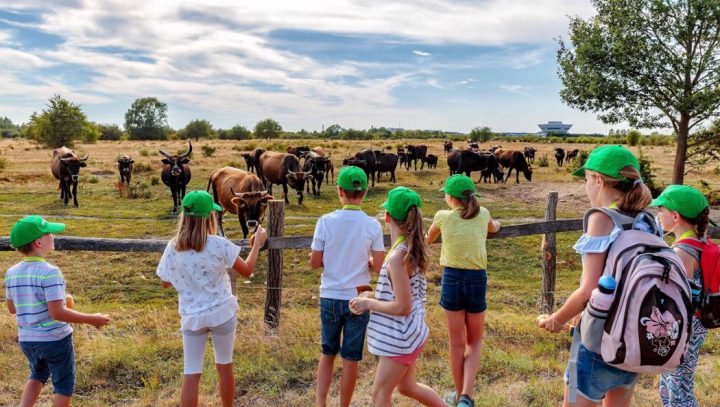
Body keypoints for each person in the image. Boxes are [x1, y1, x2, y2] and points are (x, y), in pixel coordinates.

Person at [538, 145, 653, 406]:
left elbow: (589, 288)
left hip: (598, 336)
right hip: (632, 333)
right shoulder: (647, 218)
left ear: (599, 180)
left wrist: (557, 319)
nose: (586, 187)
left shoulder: (602, 219)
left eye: (587, 179)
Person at [156, 190, 267, 407]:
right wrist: (256, 245)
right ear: (210, 216)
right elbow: (247, 270)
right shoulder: (219, 244)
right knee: (224, 365)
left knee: (191, 372)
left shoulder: (173, 246)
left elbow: (165, 282)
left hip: (191, 317)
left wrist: (185, 276)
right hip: (221, 313)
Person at [350, 187, 444, 407]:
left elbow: (403, 306)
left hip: (399, 338)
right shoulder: (410, 249)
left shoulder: (397, 256)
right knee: (407, 386)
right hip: (411, 333)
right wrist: (375, 294)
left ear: (387, 217)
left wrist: (368, 303)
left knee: (380, 394)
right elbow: (401, 294)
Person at [5, 215, 110, 407]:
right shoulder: (50, 272)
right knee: (64, 384)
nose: (53, 236)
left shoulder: (12, 272)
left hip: (28, 340)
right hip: (54, 339)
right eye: (49, 233)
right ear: (38, 242)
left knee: (37, 374)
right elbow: (58, 313)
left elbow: (12, 308)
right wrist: (92, 319)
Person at [310, 166, 385, 407]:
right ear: (364, 193)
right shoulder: (372, 225)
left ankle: (321, 403)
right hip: (359, 297)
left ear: (339, 191)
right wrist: (365, 260)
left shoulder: (325, 221)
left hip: (330, 295)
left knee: (327, 353)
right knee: (351, 358)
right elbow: (379, 265)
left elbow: (314, 262)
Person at [425, 174, 501, 407]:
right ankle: (467, 396)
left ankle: (459, 397)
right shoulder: (484, 214)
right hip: (477, 279)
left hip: (452, 278)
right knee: (474, 341)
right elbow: (494, 228)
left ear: (449, 197)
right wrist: (498, 226)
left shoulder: (442, 217)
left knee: (456, 342)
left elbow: (428, 239)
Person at [651, 185, 710, 407]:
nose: (658, 215)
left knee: (678, 389)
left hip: (684, 328)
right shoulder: (701, 242)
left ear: (675, 216)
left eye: (661, 211)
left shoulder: (681, 253)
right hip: (697, 324)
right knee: (674, 382)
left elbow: (671, 295)